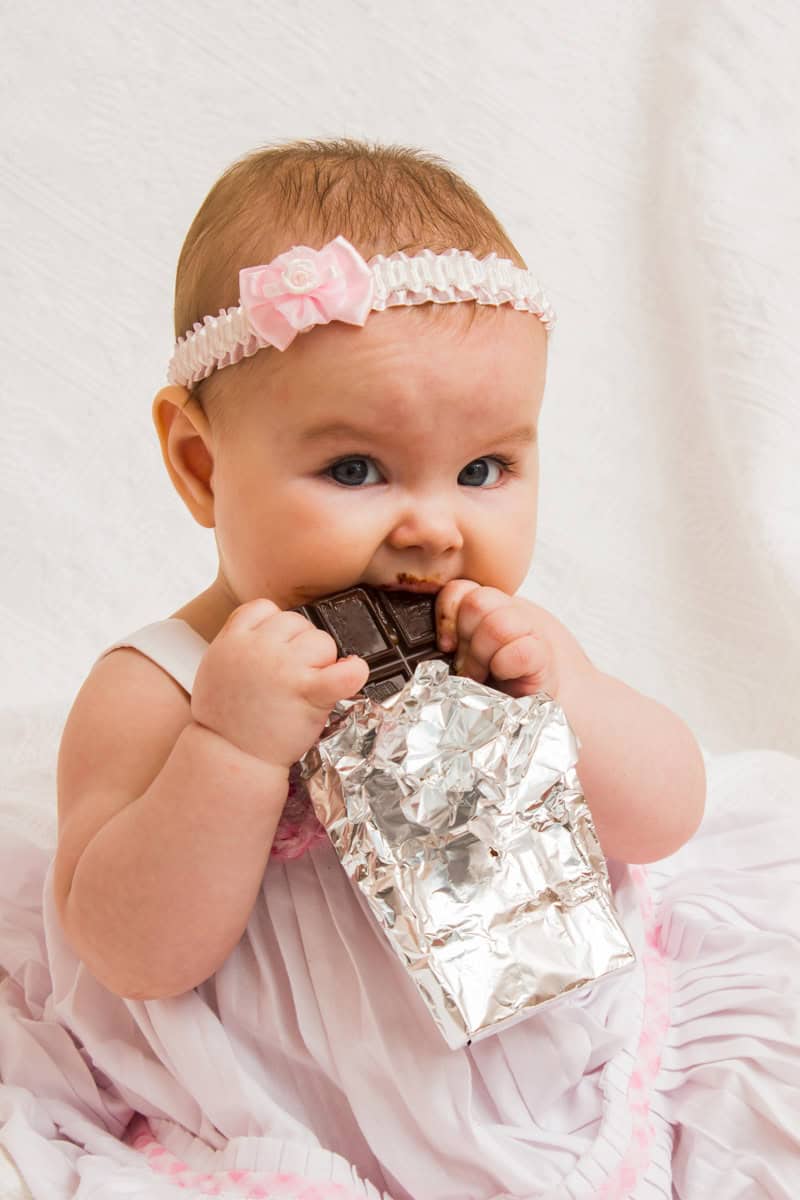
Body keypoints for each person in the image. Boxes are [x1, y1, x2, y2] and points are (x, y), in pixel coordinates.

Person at [0, 138, 797, 1200]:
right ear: (200, 465)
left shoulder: (500, 642)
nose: (430, 525)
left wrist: (571, 695)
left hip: (546, 1061)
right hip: (287, 1103)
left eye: (482, 470)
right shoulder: (162, 686)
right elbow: (134, 952)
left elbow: (661, 818)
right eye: (354, 469)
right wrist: (230, 751)